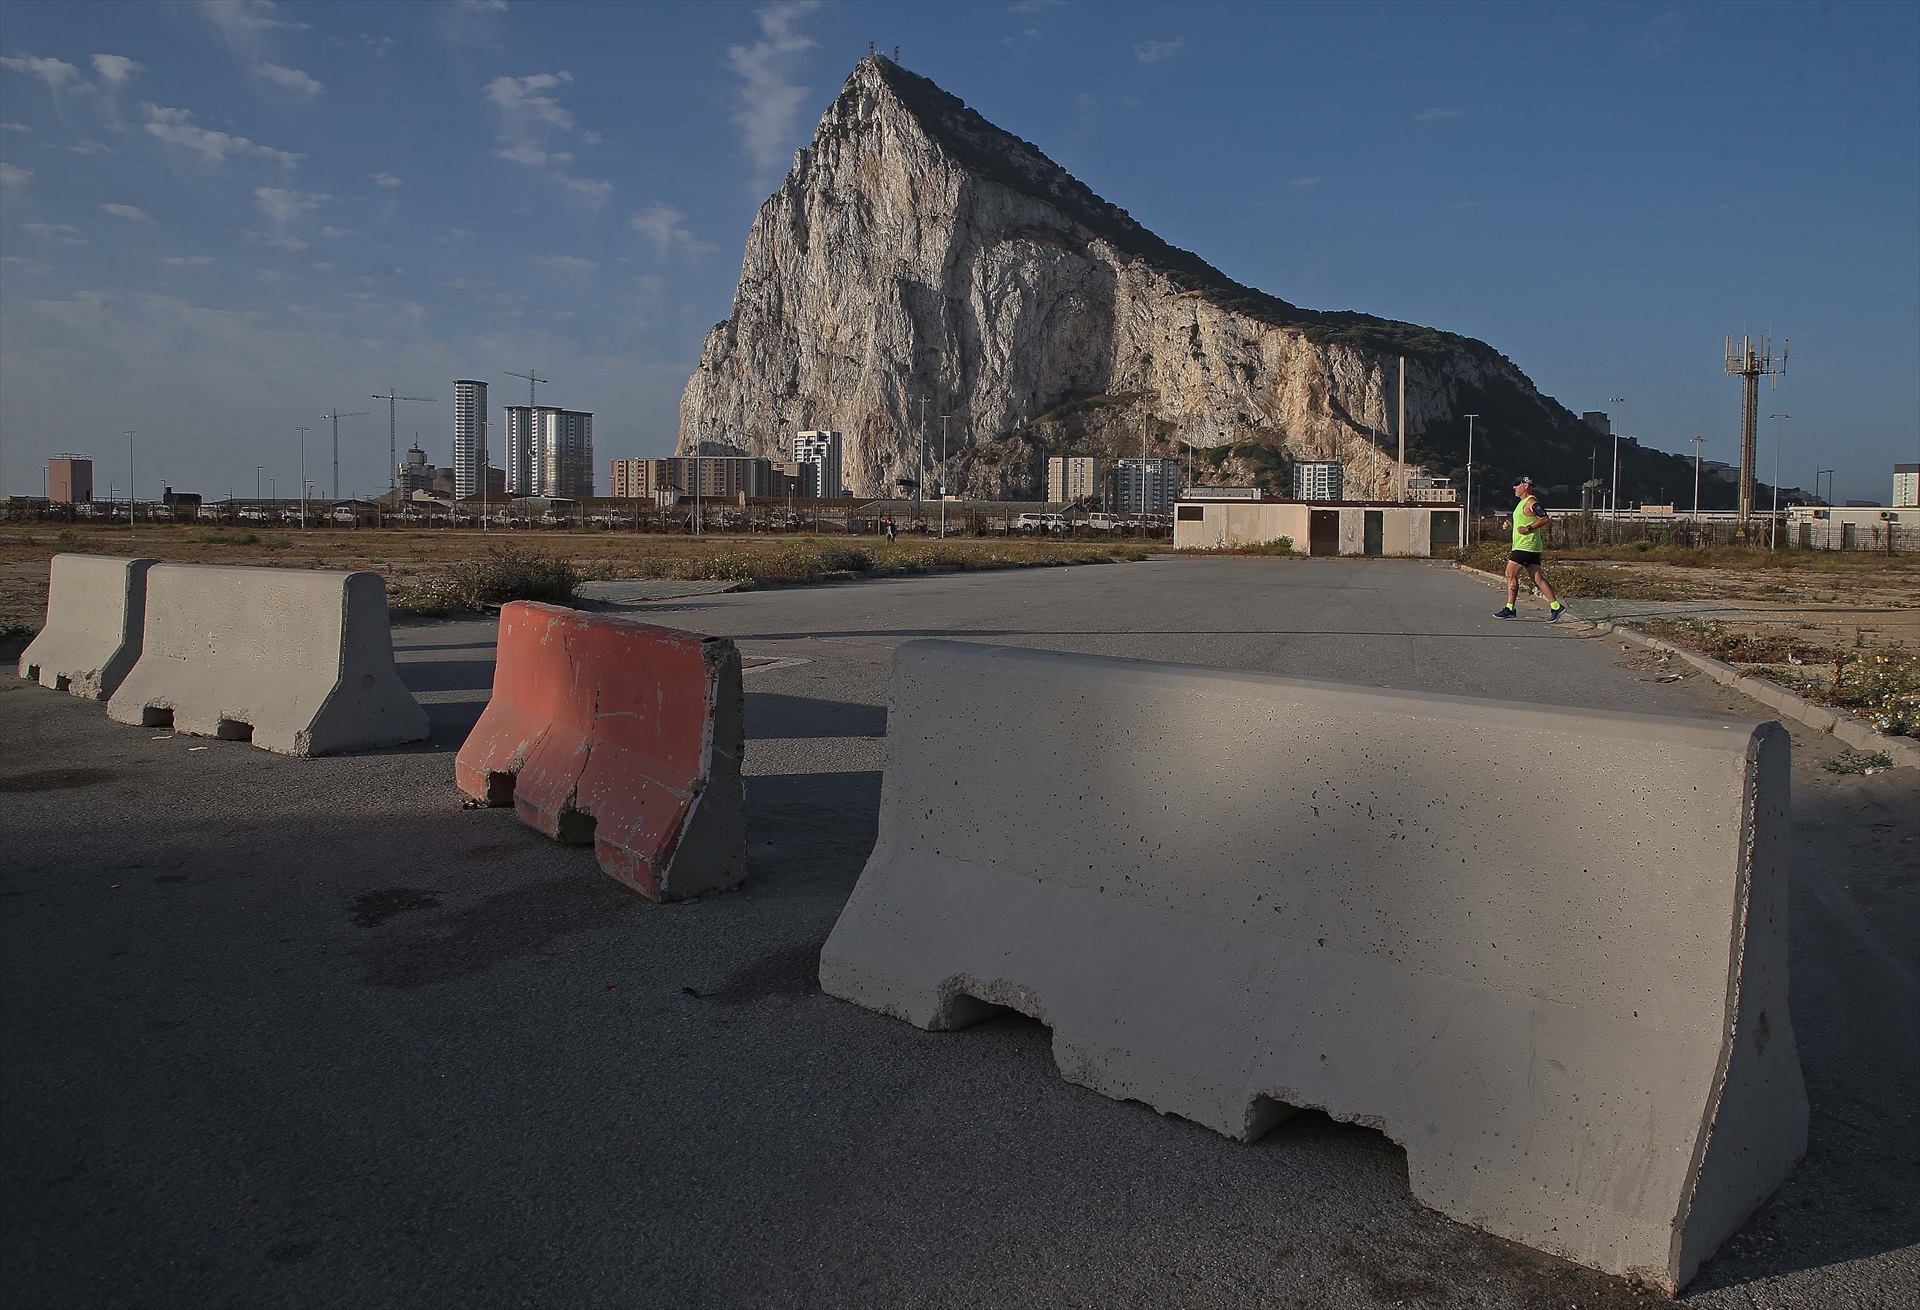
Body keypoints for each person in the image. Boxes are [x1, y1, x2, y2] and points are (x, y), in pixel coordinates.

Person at [1495, 475, 1564, 622]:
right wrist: (1511, 526)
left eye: (1517, 484)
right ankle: (1556, 606)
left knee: (1510, 573)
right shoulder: (1522, 503)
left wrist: (1529, 528)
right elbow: (1522, 525)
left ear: (1525, 486)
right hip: (1529, 546)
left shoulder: (1531, 502)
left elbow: (1544, 518)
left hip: (1525, 546)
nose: (1514, 487)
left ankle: (1510, 608)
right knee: (1537, 578)